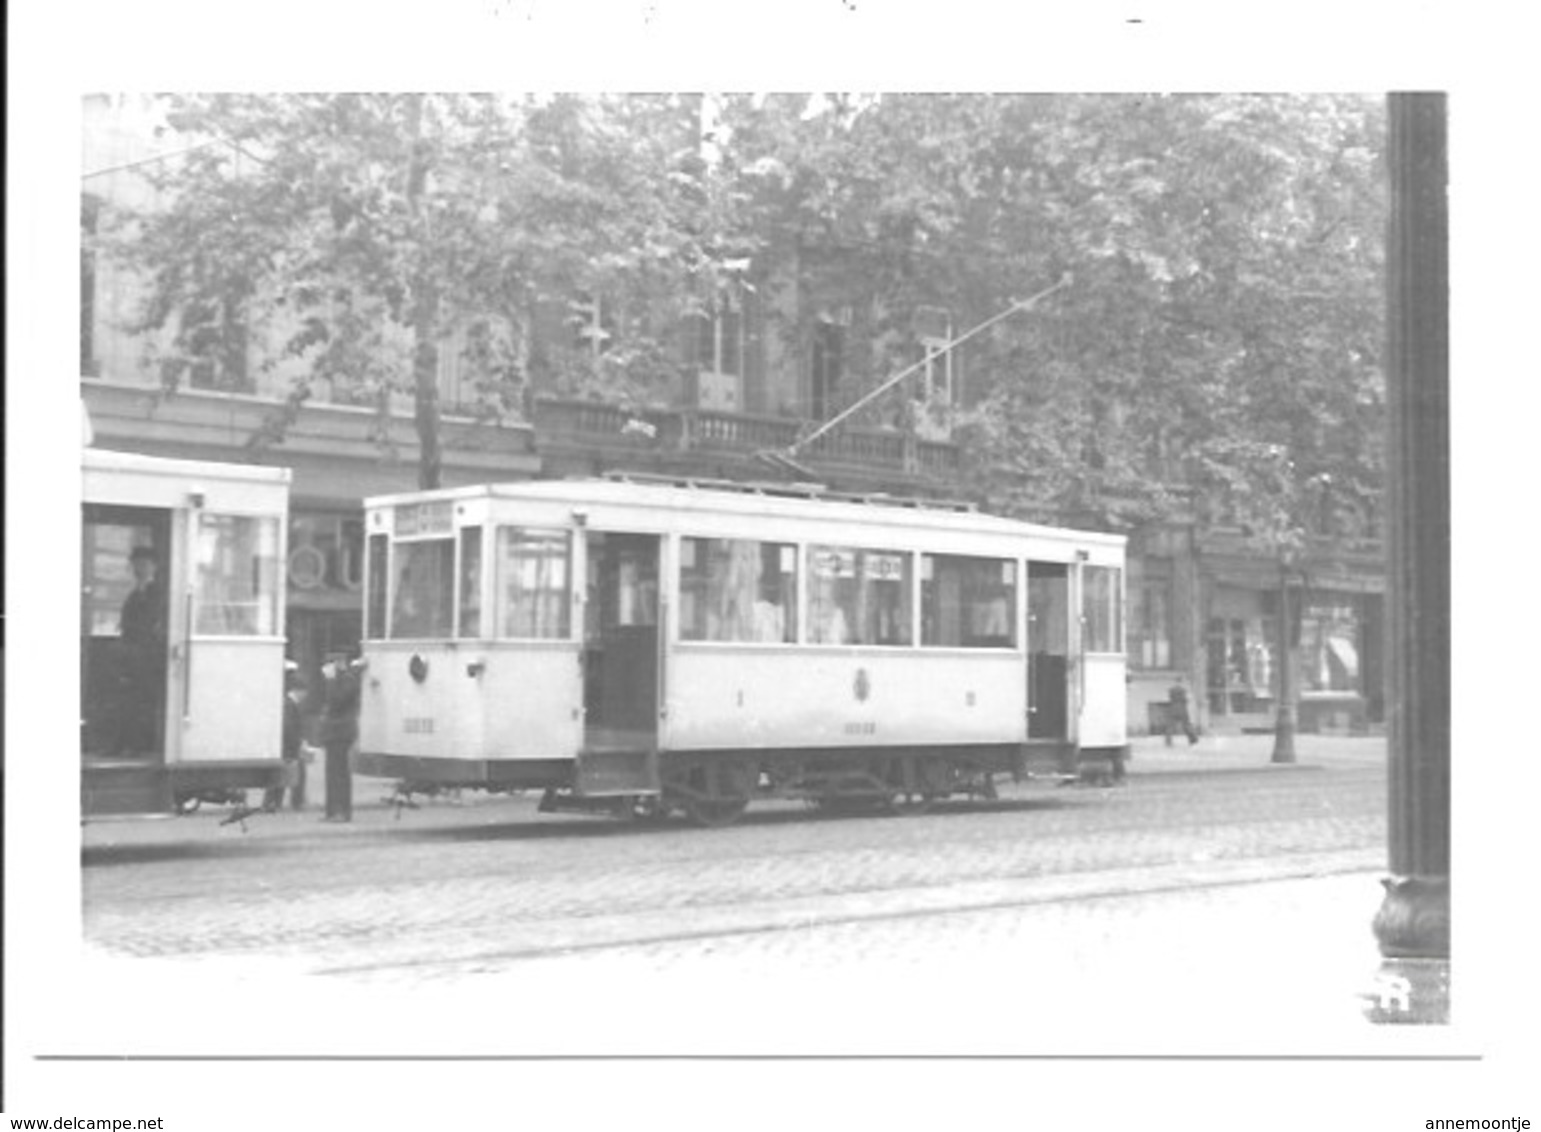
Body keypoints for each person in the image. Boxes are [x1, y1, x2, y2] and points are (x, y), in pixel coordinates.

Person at [117, 545, 166, 756]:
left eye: (144, 564)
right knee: (130, 700)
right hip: (132, 655)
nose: (140, 568)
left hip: (150, 657)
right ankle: (128, 745)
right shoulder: (134, 594)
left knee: (144, 702)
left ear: (154, 567)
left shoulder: (158, 593)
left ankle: (142, 746)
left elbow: (151, 624)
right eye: (136, 564)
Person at [320, 654, 365, 822]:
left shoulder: (348, 680)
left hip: (342, 732)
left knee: (339, 774)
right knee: (332, 773)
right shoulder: (339, 680)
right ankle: (332, 810)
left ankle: (342, 811)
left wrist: (331, 680)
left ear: (339, 663)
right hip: (333, 733)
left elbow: (336, 701)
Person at [264, 661, 308, 812]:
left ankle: (274, 803)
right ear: (299, 691)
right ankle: (292, 802)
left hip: (286, 746)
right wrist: (297, 744)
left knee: (281, 775)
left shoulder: (286, 703)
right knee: (286, 775)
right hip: (288, 746)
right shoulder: (290, 705)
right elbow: (289, 728)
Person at [1166, 674, 1199, 747]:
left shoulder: (1171, 689)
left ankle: (1168, 742)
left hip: (1173, 708)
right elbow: (1185, 699)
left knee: (1170, 726)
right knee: (1186, 725)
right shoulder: (1183, 690)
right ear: (1181, 681)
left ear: (1175, 681)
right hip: (1182, 709)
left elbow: (1170, 698)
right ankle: (1192, 740)